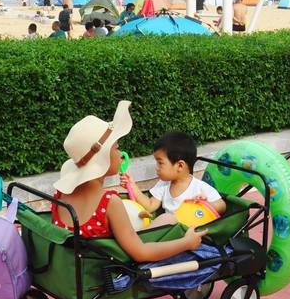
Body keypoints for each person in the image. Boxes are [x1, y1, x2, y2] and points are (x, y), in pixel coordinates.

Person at [51, 102, 207, 258]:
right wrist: (187, 243)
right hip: (109, 272)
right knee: (169, 220)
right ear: (102, 158)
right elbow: (141, 253)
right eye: (116, 148)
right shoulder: (109, 202)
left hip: (79, 264)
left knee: (167, 218)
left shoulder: (62, 194)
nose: (120, 154)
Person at [120, 131, 226, 227]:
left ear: (180, 166)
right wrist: (132, 185)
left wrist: (205, 204)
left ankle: (142, 241)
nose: (156, 167)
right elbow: (150, 206)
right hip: (169, 233)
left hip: (188, 233)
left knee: (167, 218)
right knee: (159, 219)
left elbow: (222, 206)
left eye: (160, 163)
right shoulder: (164, 184)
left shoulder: (200, 188)